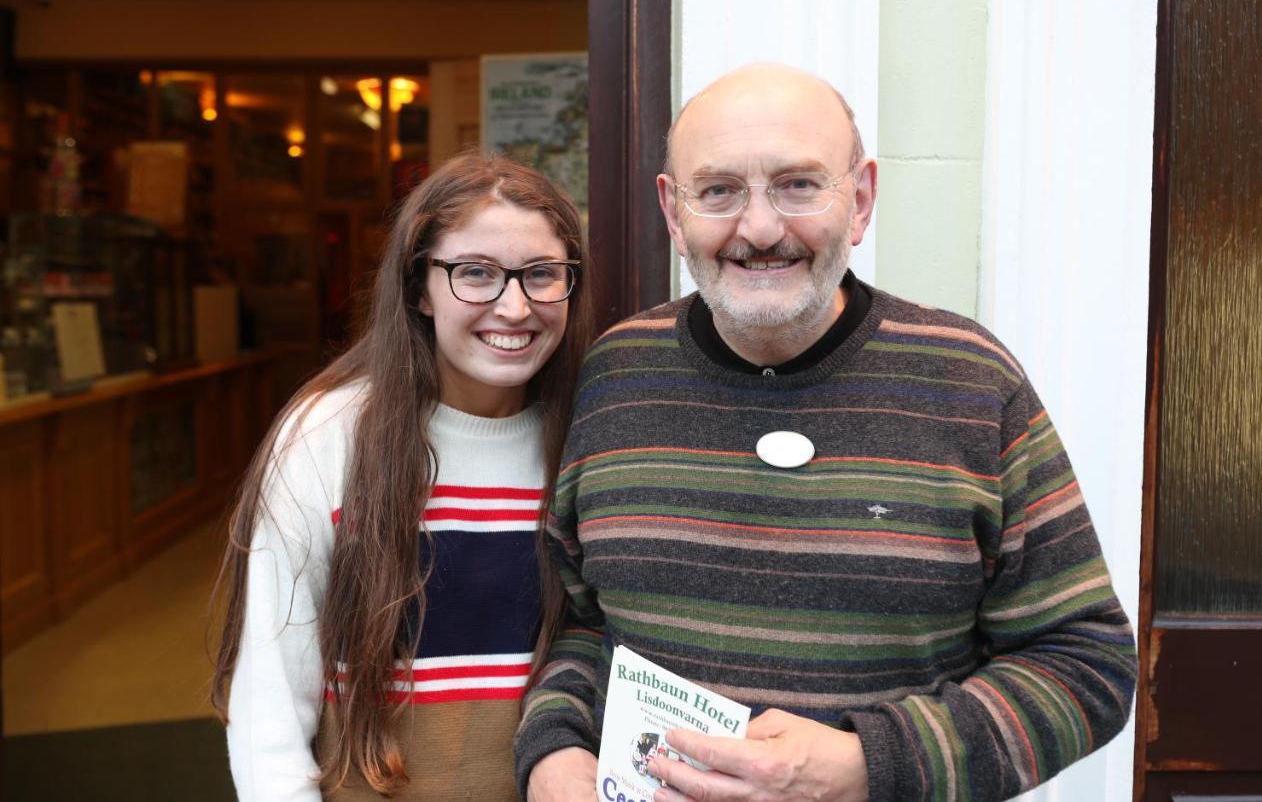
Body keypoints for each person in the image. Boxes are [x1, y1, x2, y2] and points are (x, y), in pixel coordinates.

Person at [514, 63, 1137, 802]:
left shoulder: (971, 384)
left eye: (798, 185)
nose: (760, 229)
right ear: (674, 213)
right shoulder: (616, 376)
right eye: (718, 190)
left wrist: (868, 764)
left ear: (862, 198)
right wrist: (553, 749)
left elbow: (1087, 661)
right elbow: (584, 621)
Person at [211, 153, 593, 801]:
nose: (514, 305)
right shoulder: (329, 434)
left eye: (541, 274)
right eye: (475, 273)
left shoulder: (585, 436)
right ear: (419, 286)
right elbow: (268, 704)